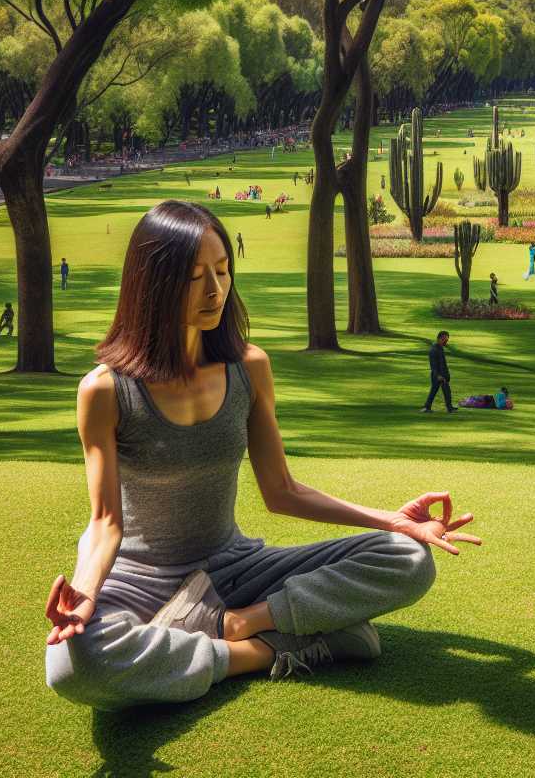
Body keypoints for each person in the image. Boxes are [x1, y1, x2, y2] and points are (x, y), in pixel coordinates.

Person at [44, 200, 478, 710]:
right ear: (152, 282)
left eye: (222, 270)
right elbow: (104, 522)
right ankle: (258, 651)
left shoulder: (248, 369)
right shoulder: (106, 390)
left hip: (236, 571)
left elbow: (282, 491)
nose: (215, 290)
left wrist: (395, 522)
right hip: (142, 580)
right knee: (73, 665)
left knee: (410, 558)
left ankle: (243, 625)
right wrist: (88, 593)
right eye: (194, 276)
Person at [422, 331, 455, 414]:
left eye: (447, 340)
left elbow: (443, 363)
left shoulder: (440, 348)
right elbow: (433, 365)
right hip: (438, 375)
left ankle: (428, 407)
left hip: (442, 374)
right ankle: (449, 408)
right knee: (441, 391)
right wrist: (438, 375)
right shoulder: (434, 350)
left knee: (443, 390)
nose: (445, 342)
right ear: (439, 338)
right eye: (444, 339)